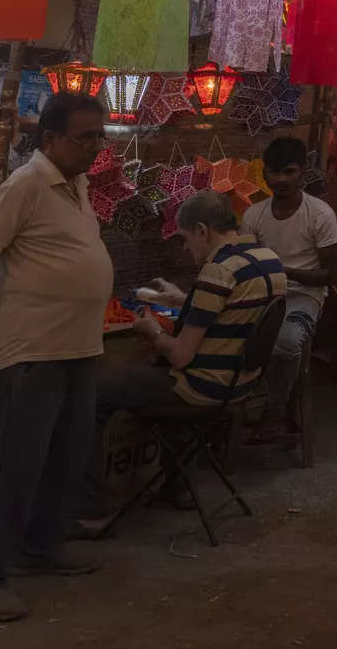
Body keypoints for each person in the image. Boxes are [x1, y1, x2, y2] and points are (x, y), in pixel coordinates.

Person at [0, 92, 113, 623]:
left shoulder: (77, 185)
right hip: (34, 348)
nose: (96, 147)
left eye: (100, 136)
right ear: (49, 140)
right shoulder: (23, 186)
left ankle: (40, 548)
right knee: (14, 466)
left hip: (79, 346)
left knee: (65, 459)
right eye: (85, 137)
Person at [74, 192, 287, 527]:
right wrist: (183, 299)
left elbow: (181, 355)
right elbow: (231, 314)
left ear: (202, 230)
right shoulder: (269, 260)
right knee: (149, 377)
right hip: (241, 383)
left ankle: (92, 511)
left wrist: (151, 331)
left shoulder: (217, 272)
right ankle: (180, 486)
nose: (186, 250)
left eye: (186, 240)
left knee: (91, 392)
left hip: (202, 388)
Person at [243, 136, 337, 431]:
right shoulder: (253, 214)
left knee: (285, 342)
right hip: (263, 294)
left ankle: (276, 410)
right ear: (265, 174)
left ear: (303, 172)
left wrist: (281, 272)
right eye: (274, 172)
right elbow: (246, 262)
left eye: (289, 172)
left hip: (305, 295)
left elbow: (329, 274)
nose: (280, 179)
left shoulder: (320, 214)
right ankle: (228, 407)